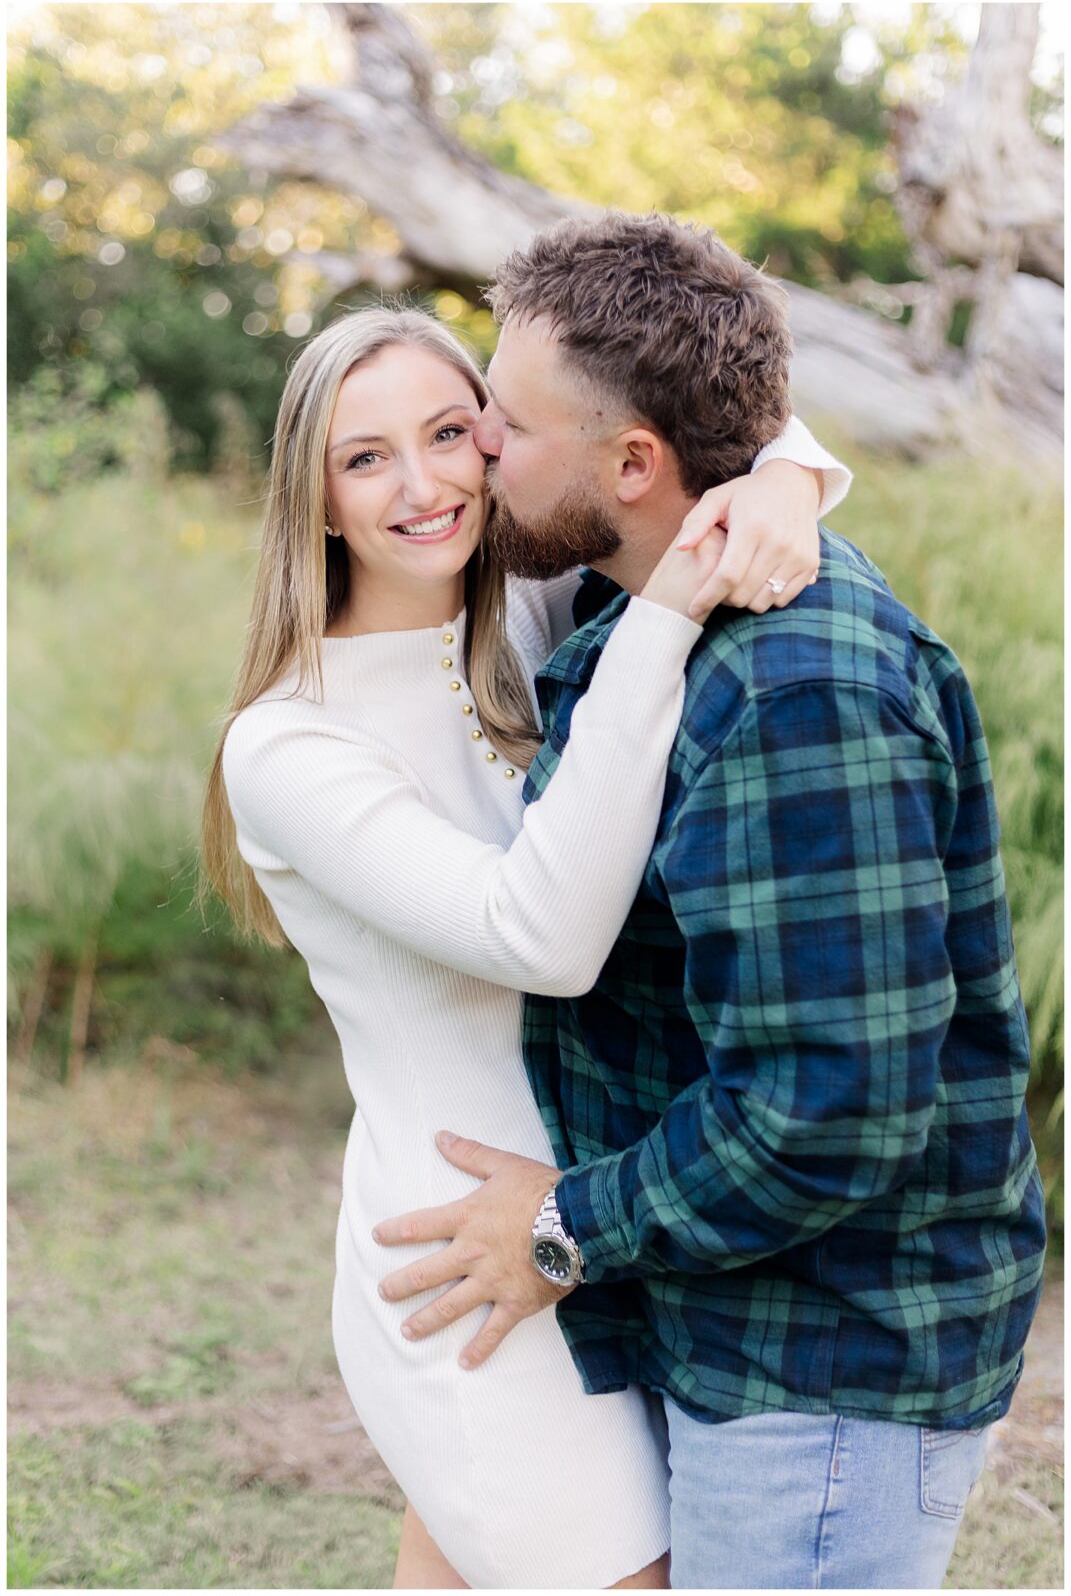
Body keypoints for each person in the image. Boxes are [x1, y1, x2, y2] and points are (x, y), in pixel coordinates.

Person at [373, 213, 1048, 1590]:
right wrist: (790, 471)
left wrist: (563, 1228)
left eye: (504, 418)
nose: (481, 447)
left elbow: (828, 1111)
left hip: (831, 1366)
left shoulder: (796, 694)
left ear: (633, 465)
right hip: (738, 1321)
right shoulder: (639, 611)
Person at [202, 300, 851, 1589]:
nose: (426, 483)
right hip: (461, 1258)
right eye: (366, 456)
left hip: (602, 1224)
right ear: (314, 496)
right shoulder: (289, 743)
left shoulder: (528, 607)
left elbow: (708, 431)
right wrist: (666, 615)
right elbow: (537, 937)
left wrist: (780, 477)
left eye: (452, 432)